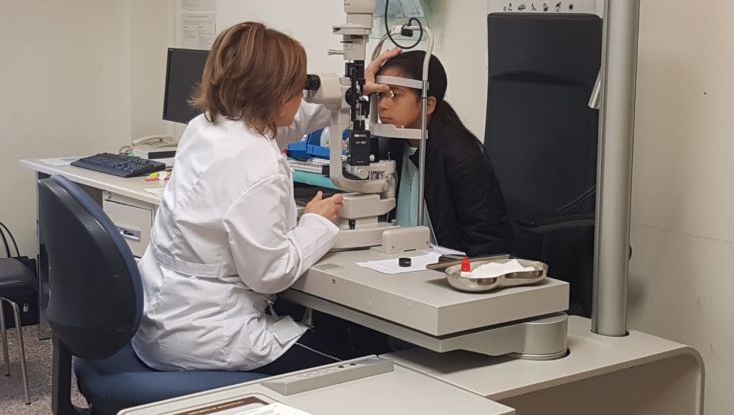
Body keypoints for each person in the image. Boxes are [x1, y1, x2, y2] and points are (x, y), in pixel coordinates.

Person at [132, 22, 355, 375]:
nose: (302, 97)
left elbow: (282, 124)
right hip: (208, 335)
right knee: (351, 364)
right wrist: (315, 221)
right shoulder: (256, 164)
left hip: (160, 319)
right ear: (274, 92)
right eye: (299, 88)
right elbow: (270, 273)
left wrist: (346, 96)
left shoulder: (205, 126)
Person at [367, 50, 513, 257]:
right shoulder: (388, 147)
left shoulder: (461, 157)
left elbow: (486, 242)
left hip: (447, 270)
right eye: (379, 94)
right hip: (396, 260)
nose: (382, 104)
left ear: (428, 104)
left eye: (394, 95)